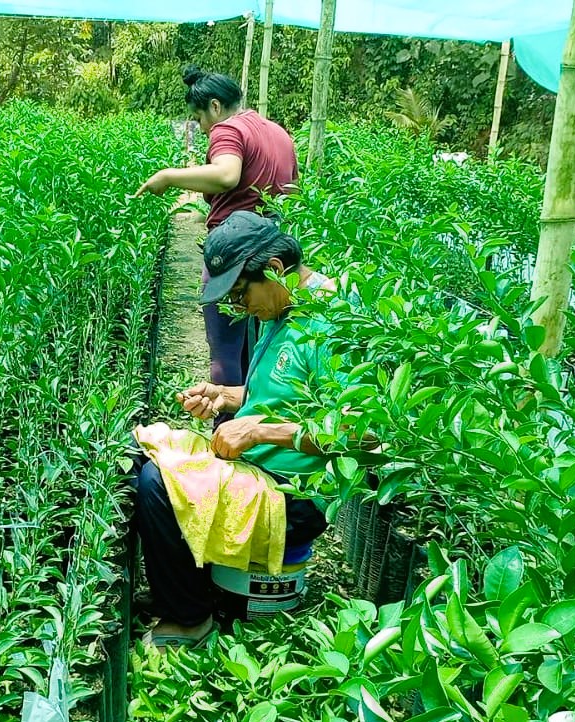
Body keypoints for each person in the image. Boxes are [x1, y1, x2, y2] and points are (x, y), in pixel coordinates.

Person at [132, 211, 341, 649]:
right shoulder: (279, 310)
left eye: (243, 292)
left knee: (159, 484)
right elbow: (280, 395)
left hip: (296, 495)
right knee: (146, 454)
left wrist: (262, 433)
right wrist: (226, 397)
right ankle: (181, 585)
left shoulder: (332, 324)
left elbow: (366, 434)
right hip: (259, 470)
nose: (241, 306)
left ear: (275, 269)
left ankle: (190, 618)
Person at [133, 67, 298, 426]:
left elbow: (226, 174)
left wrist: (168, 177)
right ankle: (257, 425)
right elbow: (291, 191)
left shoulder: (228, 128)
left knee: (225, 355)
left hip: (234, 254)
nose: (204, 129)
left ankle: (228, 441)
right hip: (272, 255)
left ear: (214, 106)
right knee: (258, 351)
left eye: (199, 119)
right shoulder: (278, 133)